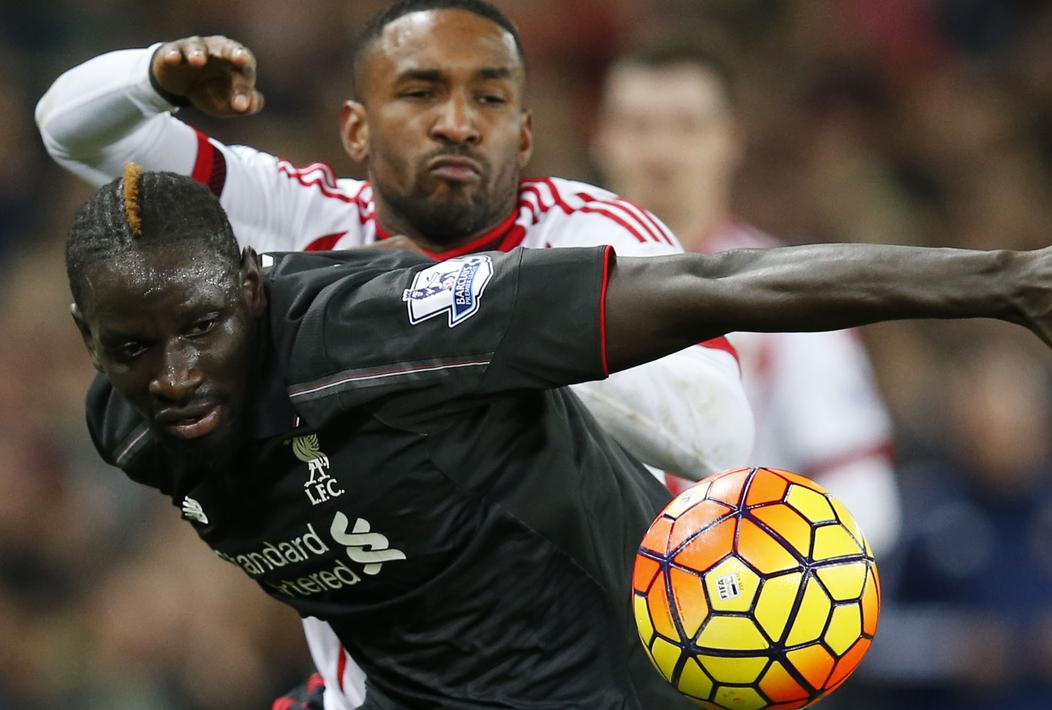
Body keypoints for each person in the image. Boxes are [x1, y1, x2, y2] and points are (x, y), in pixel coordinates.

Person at [67, 161, 1052, 707]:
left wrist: (1009, 277)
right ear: (88, 335)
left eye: (202, 326)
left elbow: (720, 284)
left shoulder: (392, 330)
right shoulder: (129, 428)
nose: (173, 374)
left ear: (256, 288)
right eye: (131, 345)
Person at [34, 2, 754, 705]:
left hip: (582, 666)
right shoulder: (300, 220)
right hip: (378, 678)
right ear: (356, 127)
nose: (457, 122)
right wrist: (152, 79)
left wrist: (476, 335)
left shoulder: (588, 232)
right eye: (419, 92)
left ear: (524, 133)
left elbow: (716, 431)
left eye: (490, 97)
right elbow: (71, 132)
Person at [592, 39, 902, 551]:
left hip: (732, 603)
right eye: (638, 126)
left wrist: (767, 574)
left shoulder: (793, 291)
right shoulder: (543, 280)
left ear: (730, 139)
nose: (662, 152)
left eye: (687, 126)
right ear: (602, 137)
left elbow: (863, 491)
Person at [860, 341, 1052, 710]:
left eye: (1014, 423)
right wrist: (952, 648)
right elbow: (861, 634)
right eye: (985, 424)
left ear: (1044, 424)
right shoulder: (913, 507)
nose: (1000, 438)